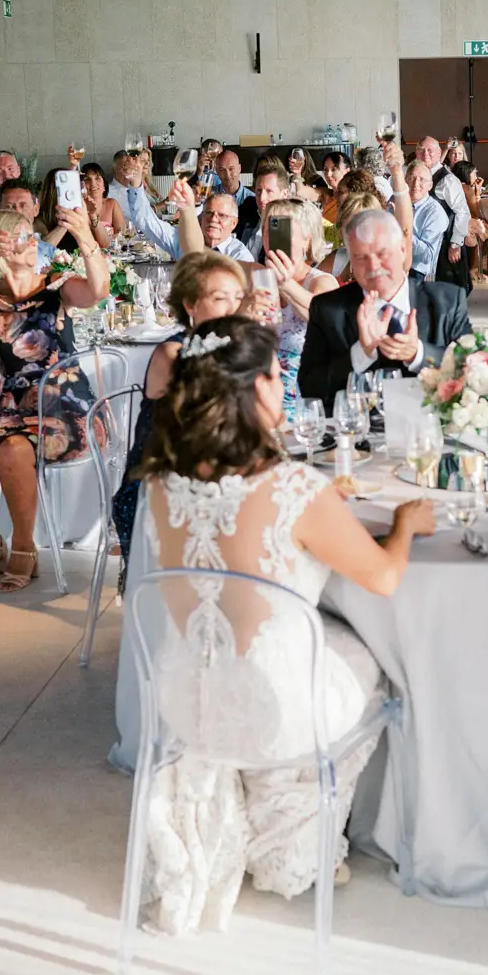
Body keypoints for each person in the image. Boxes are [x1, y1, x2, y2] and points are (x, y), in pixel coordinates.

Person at [130, 317, 435, 934]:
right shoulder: (294, 486)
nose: (284, 387)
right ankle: (295, 837)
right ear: (252, 391)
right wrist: (405, 525)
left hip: (183, 704)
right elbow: (382, 578)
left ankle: (261, 812)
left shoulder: (159, 482)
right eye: (275, 377)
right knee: (373, 658)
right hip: (275, 713)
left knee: (299, 644)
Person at [0, 210, 111, 591]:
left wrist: (85, 237)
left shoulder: (56, 285)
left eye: (31, 235)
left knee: (14, 450)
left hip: (68, 404)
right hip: (15, 407)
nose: (32, 241)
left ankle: (24, 547)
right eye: (21, 235)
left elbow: (98, 291)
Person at [110, 252, 253, 561]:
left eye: (238, 298)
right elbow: (203, 421)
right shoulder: (172, 354)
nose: (233, 308)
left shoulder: (238, 349)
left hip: (219, 476)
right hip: (159, 489)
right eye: (220, 298)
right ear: (190, 304)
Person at [297, 209, 473, 409]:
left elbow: (474, 370)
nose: (373, 266)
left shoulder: (447, 301)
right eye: (361, 257)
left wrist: (418, 354)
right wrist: (361, 353)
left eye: (382, 253)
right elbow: (310, 389)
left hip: (430, 422)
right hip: (358, 425)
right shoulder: (328, 309)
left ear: (402, 250)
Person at [258, 197, 340, 403]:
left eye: (284, 230)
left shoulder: (321, 282)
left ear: (307, 240)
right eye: (269, 229)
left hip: (304, 398)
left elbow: (320, 316)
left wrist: (285, 284)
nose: (275, 238)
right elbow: (200, 255)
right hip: (259, 393)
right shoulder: (258, 278)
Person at [415, 136, 471, 288]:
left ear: (439, 153)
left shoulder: (448, 180)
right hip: (422, 245)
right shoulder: (415, 176)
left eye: (430, 150)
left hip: (445, 245)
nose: (425, 154)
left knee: (446, 291)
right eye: (421, 150)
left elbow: (462, 212)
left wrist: (455, 244)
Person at [35, 167, 108, 255]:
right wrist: (66, 221)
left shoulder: (79, 213)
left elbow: (105, 243)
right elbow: (41, 253)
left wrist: (92, 215)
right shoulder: (41, 219)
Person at [406, 160, 449, 281]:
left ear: (430, 186)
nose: (415, 184)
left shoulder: (435, 212)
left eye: (421, 180)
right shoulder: (395, 202)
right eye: (411, 178)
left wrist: (403, 233)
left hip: (415, 272)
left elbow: (427, 255)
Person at [77, 162, 128, 244]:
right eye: (87, 179)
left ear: (104, 185)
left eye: (97, 178)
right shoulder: (78, 208)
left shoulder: (112, 204)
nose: (93, 183)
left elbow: (121, 232)